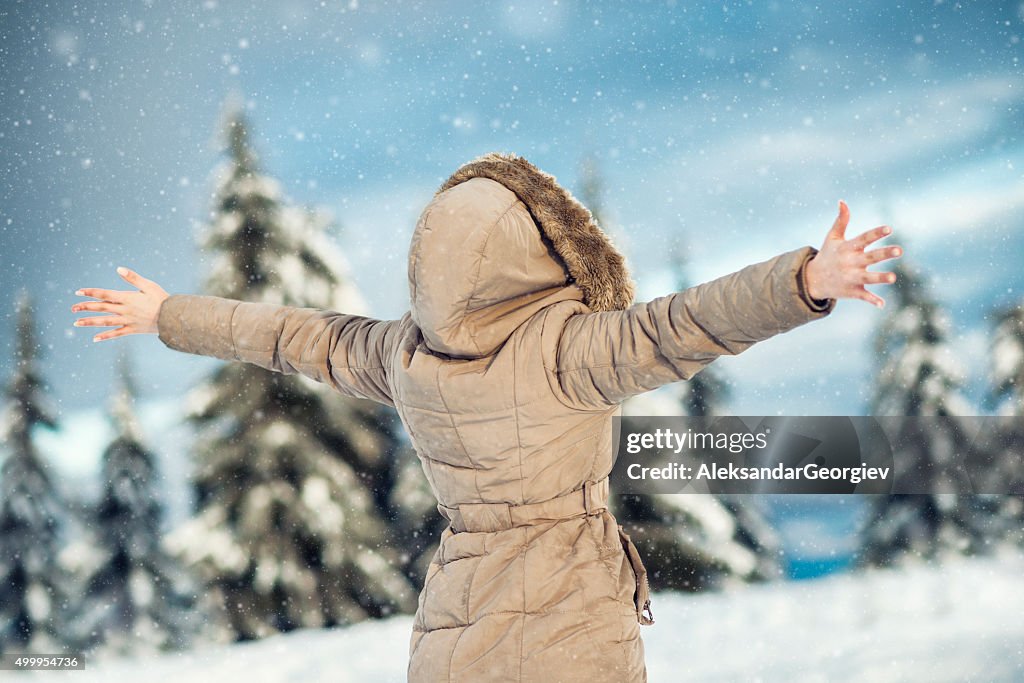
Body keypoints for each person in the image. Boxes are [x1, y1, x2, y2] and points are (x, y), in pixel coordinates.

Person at [71, 151, 901, 682]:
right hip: (571, 617)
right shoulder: (567, 349)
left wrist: (167, 313)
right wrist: (805, 281)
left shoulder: (403, 355)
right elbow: (685, 322)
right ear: (538, 254)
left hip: (456, 624)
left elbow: (293, 336)